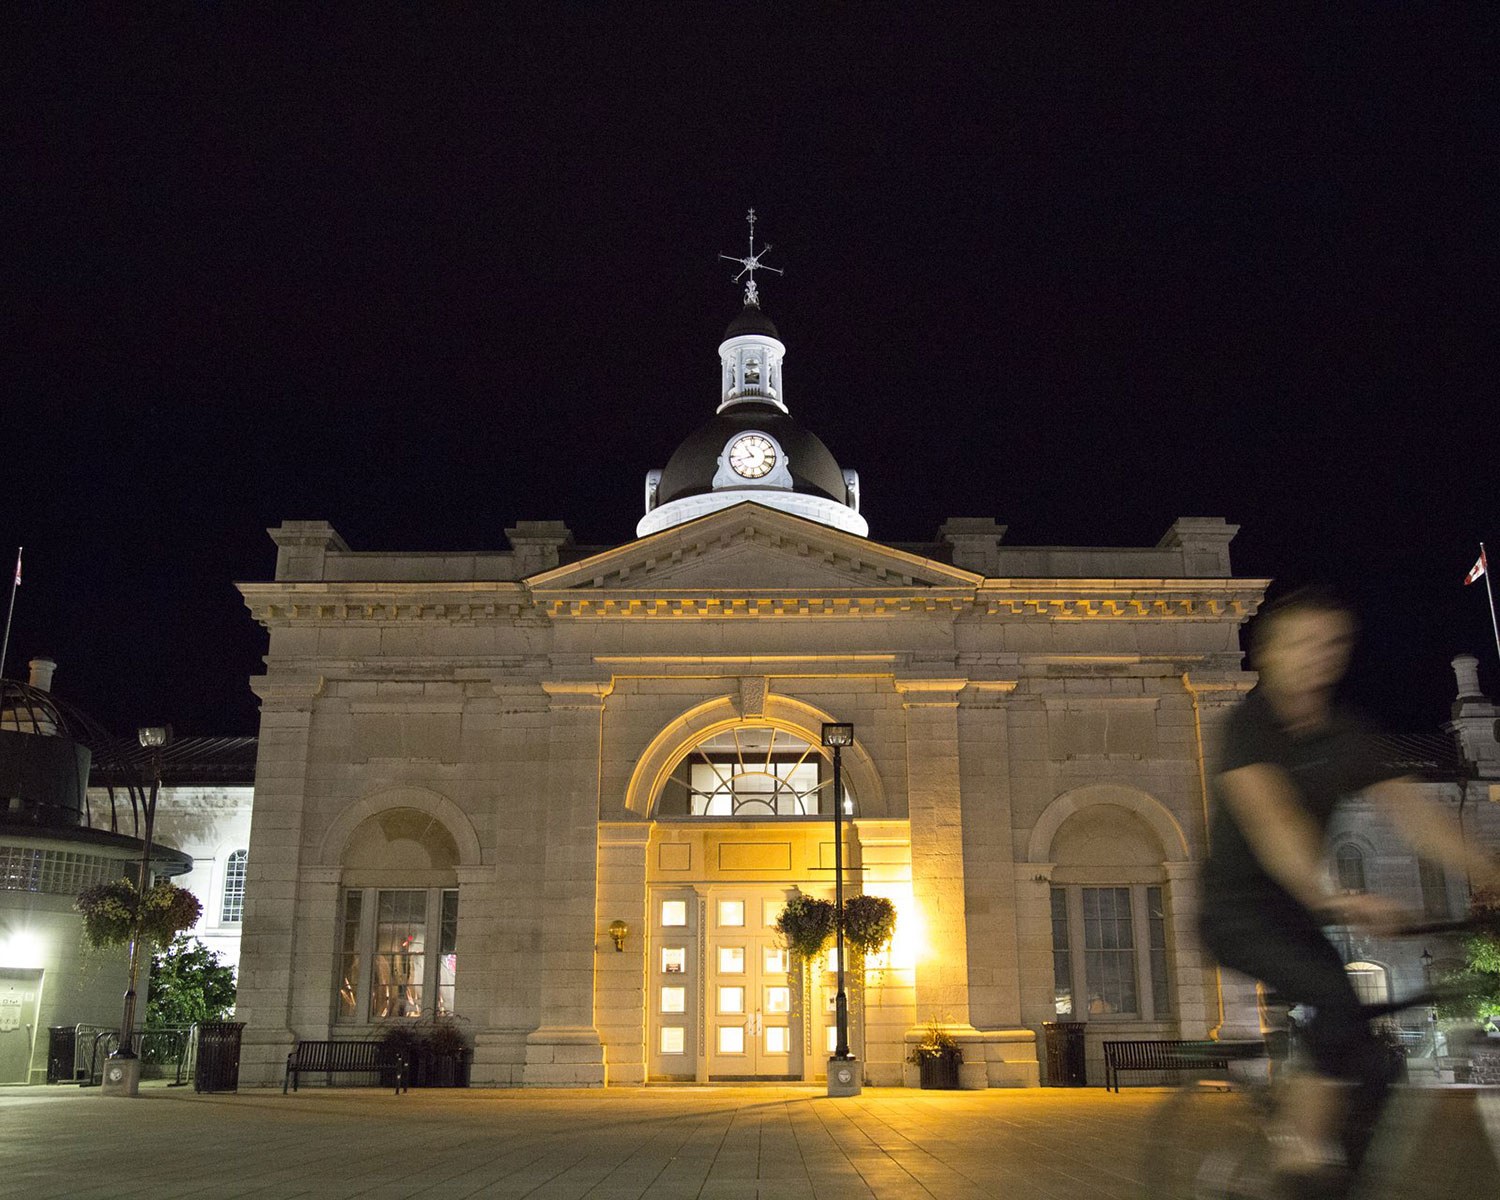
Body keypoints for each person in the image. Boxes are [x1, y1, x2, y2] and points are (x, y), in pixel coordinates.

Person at [1198, 587, 1498, 1193]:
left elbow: (1420, 816)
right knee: (1336, 1005)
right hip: (1239, 913)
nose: (1318, 656)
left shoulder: (1346, 736)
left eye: (1331, 643)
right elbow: (1274, 822)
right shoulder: (1249, 727)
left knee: (1376, 1065)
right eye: (1301, 642)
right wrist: (1335, 896)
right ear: (1268, 653)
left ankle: (1338, 1178)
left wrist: (1489, 871)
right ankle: (1298, 1167)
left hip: (1298, 918)